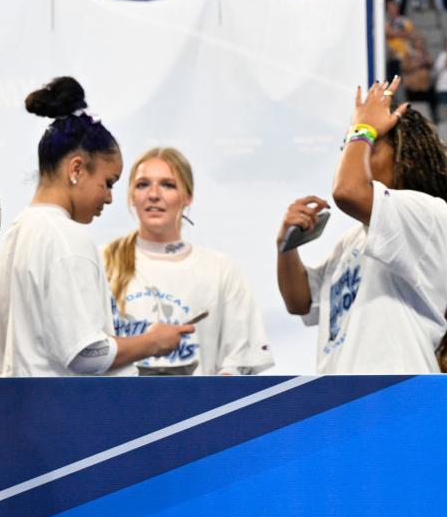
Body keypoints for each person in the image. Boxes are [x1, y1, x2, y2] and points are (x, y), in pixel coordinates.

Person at [0, 77, 192, 377]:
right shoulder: (66, 237)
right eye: (108, 182)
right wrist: (153, 341)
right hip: (64, 417)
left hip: (27, 411)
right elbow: (86, 354)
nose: (110, 197)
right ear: (76, 169)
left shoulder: (19, 231)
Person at [277, 77, 447, 373]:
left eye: (371, 144)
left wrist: (364, 127)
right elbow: (300, 300)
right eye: (351, 146)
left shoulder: (426, 213)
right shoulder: (354, 239)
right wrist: (286, 248)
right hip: (347, 400)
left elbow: (348, 191)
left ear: (406, 155)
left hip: (396, 397)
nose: (355, 153)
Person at [102, 147, 273, 376]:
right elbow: (84, 351)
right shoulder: (101, 261)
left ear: (187, 196)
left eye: (167, 185)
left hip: (199, 409)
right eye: (143, 184)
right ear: (132, 196)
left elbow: (240, 359)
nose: (154, 194)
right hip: (113, 407)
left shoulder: (220, 269)